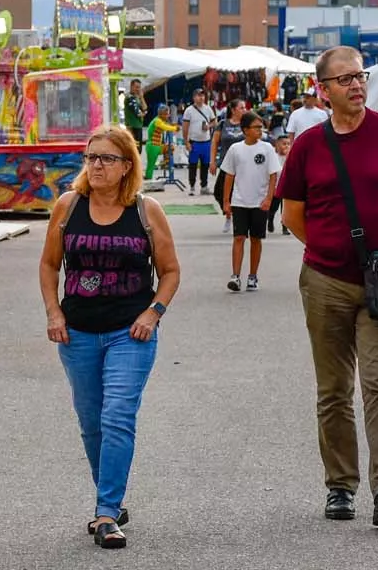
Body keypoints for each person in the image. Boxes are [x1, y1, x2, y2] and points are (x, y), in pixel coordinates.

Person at [278, 46, 378, 528]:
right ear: (323, 91)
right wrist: (331, 249)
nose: (356, 85)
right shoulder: (308, 146)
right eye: (344, 79)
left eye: (360, 75)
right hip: (325, 281)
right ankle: (340, 487)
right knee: (334, 389)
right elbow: (292, 215)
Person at [39, 125, 182, 549]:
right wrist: (53, 311)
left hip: (130, 333)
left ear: (126, 167)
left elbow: (170, 271)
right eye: (90, 157)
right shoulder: (68, 206)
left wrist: (153, 313)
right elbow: (49, 265)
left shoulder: (145, 211)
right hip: (77, 333)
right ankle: (112, 498)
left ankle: (105, 513)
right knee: (91, 422)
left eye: (106, 159)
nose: (96, 165)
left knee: (117, 416)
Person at [220, 111, 281, 292]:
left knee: (256, 239)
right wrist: (226, 201)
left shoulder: (267, 148)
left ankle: (252, 276)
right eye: (256, 127)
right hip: (240, 201)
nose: (259, 131)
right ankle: (235, 276)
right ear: (245, 130)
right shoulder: (235, 149)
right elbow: (229, 176)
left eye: (261, 127)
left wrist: (269, 198)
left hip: (259, 202)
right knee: (239, 237)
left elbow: (273, 175)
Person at [209, 99, 247, 234]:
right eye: (241, 108)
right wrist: (212, 161)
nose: (244, 110)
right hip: (226, 164)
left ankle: (239, 219)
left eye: (244, 108)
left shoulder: (247, 124)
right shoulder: (222, 124)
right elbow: (215, 142)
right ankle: (228, 214)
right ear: (233, 110)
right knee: (219, 191)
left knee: (239, 193)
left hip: (243, 165)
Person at [180, 89, 217, 196]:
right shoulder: (189, 110)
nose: (201, 98)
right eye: (198, 96)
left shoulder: (208, 109)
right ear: (194, 97)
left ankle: (204, 186)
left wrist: (208, 126)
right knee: (193, 165)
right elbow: (185, 127)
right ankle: (192, 186)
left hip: (206, 142)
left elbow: (214, 121)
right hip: (194, 142)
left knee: (205, 165)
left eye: (202, 96)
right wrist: (186, 142)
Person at [142, 104, 177, 181]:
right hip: (152, 146)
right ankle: (148, 177)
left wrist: (172, 126)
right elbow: (165, 127)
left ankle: (164, 162)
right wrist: (174, 128)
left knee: (170, 147)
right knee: (151, 164)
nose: (168, 115)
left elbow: (165, 126)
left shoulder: (159, 120)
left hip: (156, 146)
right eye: (167, 114)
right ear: (162, 114)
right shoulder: (157, 121)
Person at [268, 133, 293, 234]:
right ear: (277, 145)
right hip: (276, 186)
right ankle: (270, 219)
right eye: (284, 144)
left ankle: (285, 227)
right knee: (274, 206)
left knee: (286, 208)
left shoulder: (291, 156)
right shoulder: (273, 157)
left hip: (287, 186)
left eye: (288, 144)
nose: (286, 146)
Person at [124, 79, 148, 146]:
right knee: (135, 148)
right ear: (131, 86)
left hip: (138, 126)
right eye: (136, 87)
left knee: (138, 149)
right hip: (132, 126)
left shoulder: (136, 98)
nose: (138, 89)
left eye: (139, 87)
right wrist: (144, 113)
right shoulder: (129, 98)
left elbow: (145, 107)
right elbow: (138, 113)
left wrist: (141, 97)